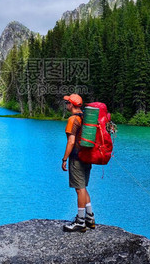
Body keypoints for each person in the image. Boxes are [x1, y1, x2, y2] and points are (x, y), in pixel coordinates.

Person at [61, 93, 95, 232]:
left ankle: (80, 222)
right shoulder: (86, 118)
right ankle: (90, 217)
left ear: (72, 105)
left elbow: (71, 141)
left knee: (79, 189)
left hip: (77, 158)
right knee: (83, 187)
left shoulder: (73, 119)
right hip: (88, 157)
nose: (66, 105)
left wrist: (64, 159)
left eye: (67, 103)